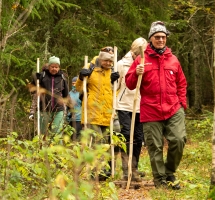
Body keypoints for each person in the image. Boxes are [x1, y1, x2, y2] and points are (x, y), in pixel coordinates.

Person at [125, 21, 187, 190]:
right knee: (155, 146)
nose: (160, 40)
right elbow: (130, 84)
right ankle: (160, 181)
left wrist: (182, 104)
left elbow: (181, 83)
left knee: (179, 140)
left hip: (173, 108)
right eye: (157, 37)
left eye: (163, 37)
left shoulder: (173, 60)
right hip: (150, 110)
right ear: (150, 39)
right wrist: (136, 73)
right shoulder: (141, 59)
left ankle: (169, 173)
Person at [75, 46, 120, 179]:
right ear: (100, 58)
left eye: (111, 62)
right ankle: (97, 172)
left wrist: (113, 83)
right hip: (92, 113)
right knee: (98, 144)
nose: (108, 64)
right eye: (106, 61)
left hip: (107, 113)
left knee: (111, 142)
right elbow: (79, 88)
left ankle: (105, 169)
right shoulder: (90, 68)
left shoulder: (111, 71)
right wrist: (81, 77)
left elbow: (114, 93)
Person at [116, 37, 148, 182]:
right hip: (123, 105)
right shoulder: (121, 64)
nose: (140, 57)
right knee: (126, 135)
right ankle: (126, 169)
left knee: (139, 137)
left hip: (140, 106)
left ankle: (134, 168)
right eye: (138, 54)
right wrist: (112, 79)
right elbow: (114, 87)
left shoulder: (146, 63)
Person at [29, 56, 69, 136]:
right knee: (42, 134)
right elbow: (33, 90)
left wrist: (68, 109)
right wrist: (34, 80)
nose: (54, 69)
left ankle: (57, 148)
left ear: (59, 67)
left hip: (58, 110)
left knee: (57, 134)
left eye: (56, 67)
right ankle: (42, 147)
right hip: (44, 110)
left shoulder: (62, 77)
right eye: (52, 67)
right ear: (49, 66)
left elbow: (66, 94)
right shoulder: (42, 76)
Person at [67, 76, 82, 141]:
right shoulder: (69, 94)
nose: (74, 85)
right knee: (71, 137)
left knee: (77, 136)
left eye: (75, 83)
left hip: (79, 119)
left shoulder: (81, 93)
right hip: (70, 119)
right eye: (73, 83)